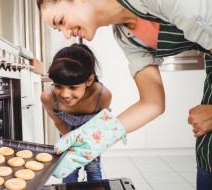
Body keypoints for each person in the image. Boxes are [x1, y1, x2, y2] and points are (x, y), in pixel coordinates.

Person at [36, 0, 212, 189]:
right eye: (58, 29)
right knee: (208, 153)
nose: (66, 33)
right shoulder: (126, 37)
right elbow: (152, 103)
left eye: (61, 21)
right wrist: (96, 137)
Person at [41, 43, 112, 183]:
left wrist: (92, 147)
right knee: (68, 169)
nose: (65, 94)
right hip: (67, 133)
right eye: (58, 85)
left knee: (93, 168)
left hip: (93, 135)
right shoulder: (48, 97)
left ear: (89, 80)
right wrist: (71, 144)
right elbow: (59, 122)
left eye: (73, 87)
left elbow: (101, 123)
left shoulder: (102, 95)